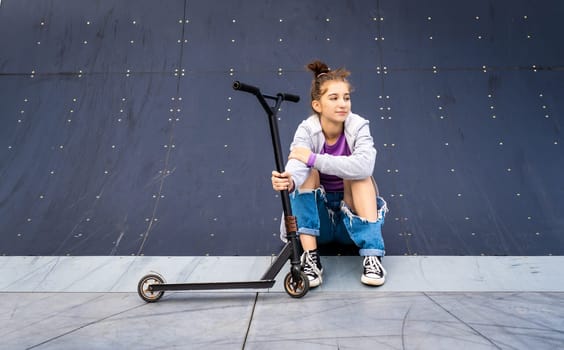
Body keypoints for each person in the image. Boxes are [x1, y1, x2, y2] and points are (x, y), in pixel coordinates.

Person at [271, 60, 388, 288]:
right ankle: (311, 260)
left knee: (361, 177)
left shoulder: (359, 126)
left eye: (346, 97)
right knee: (307, 173)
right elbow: (297, 162)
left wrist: (314, 158)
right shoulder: (306, 129)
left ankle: (372, 255)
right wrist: (289, 180)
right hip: (318, 224)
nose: (343, 104)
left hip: (351, 222)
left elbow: (364, 166)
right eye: (333, 98)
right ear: (317, 105)